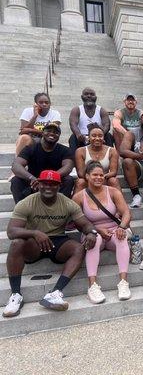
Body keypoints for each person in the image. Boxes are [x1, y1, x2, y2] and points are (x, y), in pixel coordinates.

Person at [3, 170, 97, 318]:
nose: (48, 187)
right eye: (45, 183)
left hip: (57, 241)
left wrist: (91, 232)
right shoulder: (27, 203)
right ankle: (15, 295)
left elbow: (85, 224)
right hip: (34, 244)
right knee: (16, 243)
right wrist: (34, 233)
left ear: (59, 186)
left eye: (53, 184)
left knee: (79, 248)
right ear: (38, 184)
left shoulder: (67, 203)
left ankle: (55, 293)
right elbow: (11, 231)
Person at [72, 161, 132, 304]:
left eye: (101, 175)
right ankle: (92, 285)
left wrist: (121, 228)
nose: (98, 178)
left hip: (113, 231)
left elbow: (126, 213)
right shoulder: (79, 197)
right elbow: (78, 222)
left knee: (121, 238)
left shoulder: (113, 191)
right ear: (87, 176)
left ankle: (123, 283)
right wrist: (97, 229)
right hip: (92, 231)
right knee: (94, 239)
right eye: (94, 175)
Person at [10, 122, 75, 203]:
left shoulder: (65, 150)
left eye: (56, 132)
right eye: (49, 131)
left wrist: (49, 178)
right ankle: (22, 210)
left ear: (59, 136)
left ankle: (60, 210)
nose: (52, 133)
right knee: (16, 180)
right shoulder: (30, 148)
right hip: (34, 182)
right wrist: (32, 178)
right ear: (43, 133)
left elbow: (68, 167)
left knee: (68, 180)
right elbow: (16, 165)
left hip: (54, 183)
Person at [74, 123, 120, 194]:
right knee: (80, 182)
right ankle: (75, 204)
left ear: (103, 138)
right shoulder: (80, 151)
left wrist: (100, 177)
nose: (97, 138)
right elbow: (80, 173)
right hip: (88, 180)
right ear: (88, 138)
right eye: (94, 136)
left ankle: (120, 203)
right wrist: (93, 178)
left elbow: (113, 172)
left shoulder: (112, 151)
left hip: (104, 179)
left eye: (100, 136)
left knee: (113, 180)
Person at [68, 87, 112, 151]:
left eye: (92, 94)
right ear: (82, 97)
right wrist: (78, 135)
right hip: (82, 137)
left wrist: (100, 135)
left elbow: (107, 125)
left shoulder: (101, 110)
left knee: (108, 136)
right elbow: (73, 124)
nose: (89, 96)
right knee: (73, 137)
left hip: (98, 136)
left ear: (96, 97)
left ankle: (110, 156)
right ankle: (73, 159)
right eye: (86, 94)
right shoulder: (77, 110)